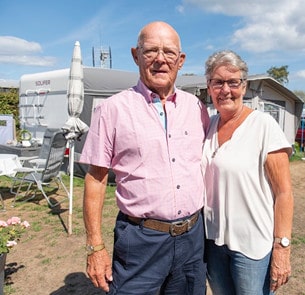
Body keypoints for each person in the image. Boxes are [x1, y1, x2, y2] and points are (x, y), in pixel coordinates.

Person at [80, 21, 210, 295]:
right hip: (140, 241)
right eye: (150, 51)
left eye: (169, 52)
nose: (160, 59)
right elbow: (95, 179)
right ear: (135, 55)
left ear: (181, 60)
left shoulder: (196, 108)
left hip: (192, 238)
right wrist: (95, 246)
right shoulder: (111, 110)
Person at [201, 49, 293, 294]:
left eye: (233, 82)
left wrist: (282, 248)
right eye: (218, 82)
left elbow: (284, 193)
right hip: (213, 242)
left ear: (244, 87)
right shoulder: (208, 125)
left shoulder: (263, 126)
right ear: (209, 87)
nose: (225, 90)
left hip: (252, 248)